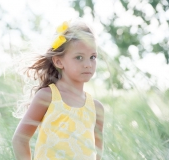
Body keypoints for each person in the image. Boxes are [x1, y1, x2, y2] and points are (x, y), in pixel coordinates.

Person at [12, 19, 104, 160]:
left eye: (93, 57)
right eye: (79, 57)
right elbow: (20, 139)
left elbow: (97, 152)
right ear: (58, 61)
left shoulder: (96, 108)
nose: (88, 64)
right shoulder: (47, 97)